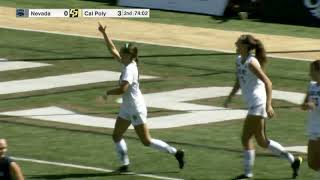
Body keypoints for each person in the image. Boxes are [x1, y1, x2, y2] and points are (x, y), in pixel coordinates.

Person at [97, 22, 185, 172]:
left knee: (146, 141)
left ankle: (176, 153)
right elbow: (112, 50)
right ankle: (124, 165)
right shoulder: (127, 64)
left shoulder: (129, 69)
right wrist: (104, 34)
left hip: (136, 109)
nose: (120, 56)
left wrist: (107, 93)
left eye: (124, 54)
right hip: (127, 107)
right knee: (116, 136)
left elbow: (122, 89)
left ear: (130, 56)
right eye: (121, 53)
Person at [224, 34, 302, 179]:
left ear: (246, 46)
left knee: (245, 138)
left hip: (258, 103)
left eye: (238, 43)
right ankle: (293, 160)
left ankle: (247, 174)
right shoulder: (239, 60)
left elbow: (268, 82)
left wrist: (268, 105)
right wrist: (230, 96)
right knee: (262, 141)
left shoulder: (251, 62)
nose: (235, 44)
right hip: (254, 104)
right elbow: (239, 81)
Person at [301, 60, 320, 179]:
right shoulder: (312, 85)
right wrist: (306, 105)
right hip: (313, 128)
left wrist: (315, 106)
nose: (309, 73)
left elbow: (314, 105)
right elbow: (304, 104)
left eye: (312, 71)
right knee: (312, 163)